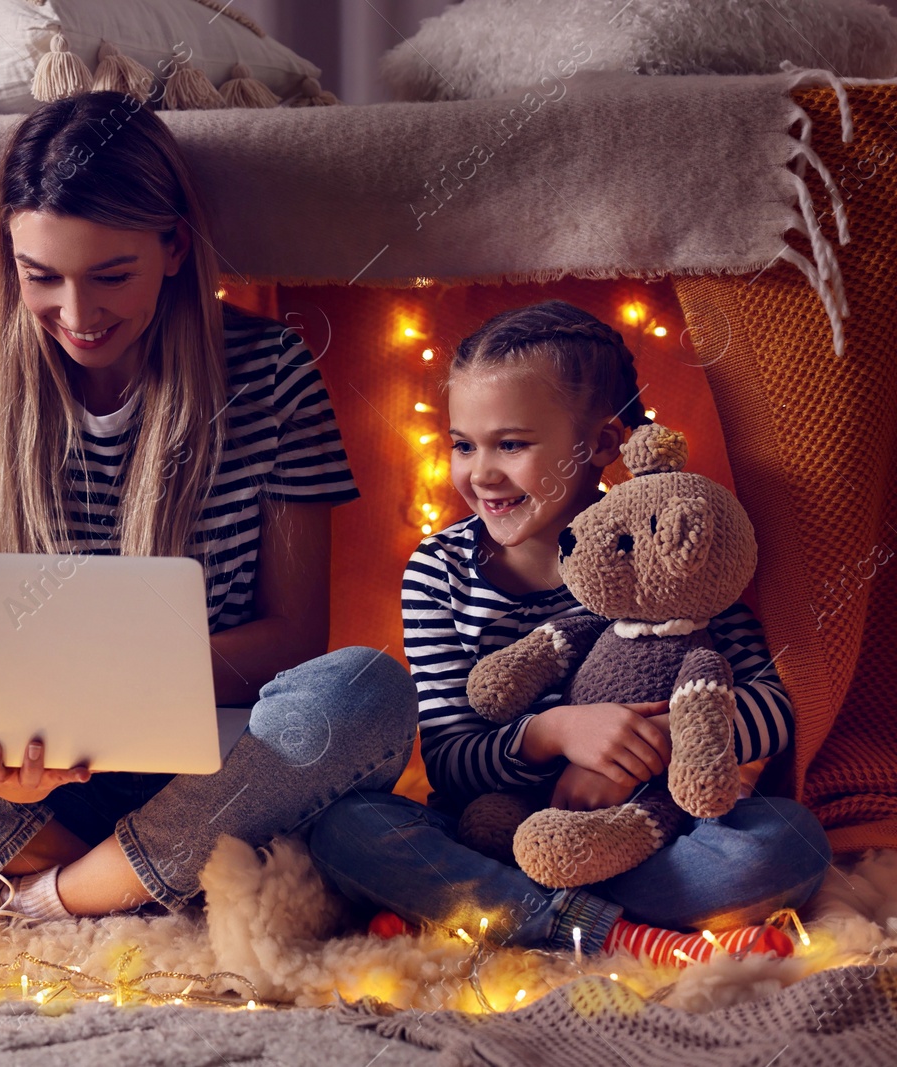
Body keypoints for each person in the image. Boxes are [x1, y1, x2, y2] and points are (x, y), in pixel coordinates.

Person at [0, 91, 418, 927]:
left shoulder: (271, 374)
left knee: (365, 690)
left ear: (173, 247)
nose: (77, 314)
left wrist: (104, 691)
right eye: (42, 278)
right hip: (32, 786)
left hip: (208, 766)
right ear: (10, 261)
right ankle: (107, 884)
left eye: (111, 275)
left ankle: (18, 896)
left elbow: (293, 640)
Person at [307, 301, 831, 967]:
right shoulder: (437, 572)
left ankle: (501, 912)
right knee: (348, 831)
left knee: (788, 842)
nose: (481, 473)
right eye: (463, 444)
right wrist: (558, 733)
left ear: (604, 445)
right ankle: (617, 932)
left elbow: (773, 704)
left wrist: (660, 741)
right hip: (497, 832)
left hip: (647, 831)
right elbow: (450, 758)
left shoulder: (672, 546)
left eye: (512, 444)